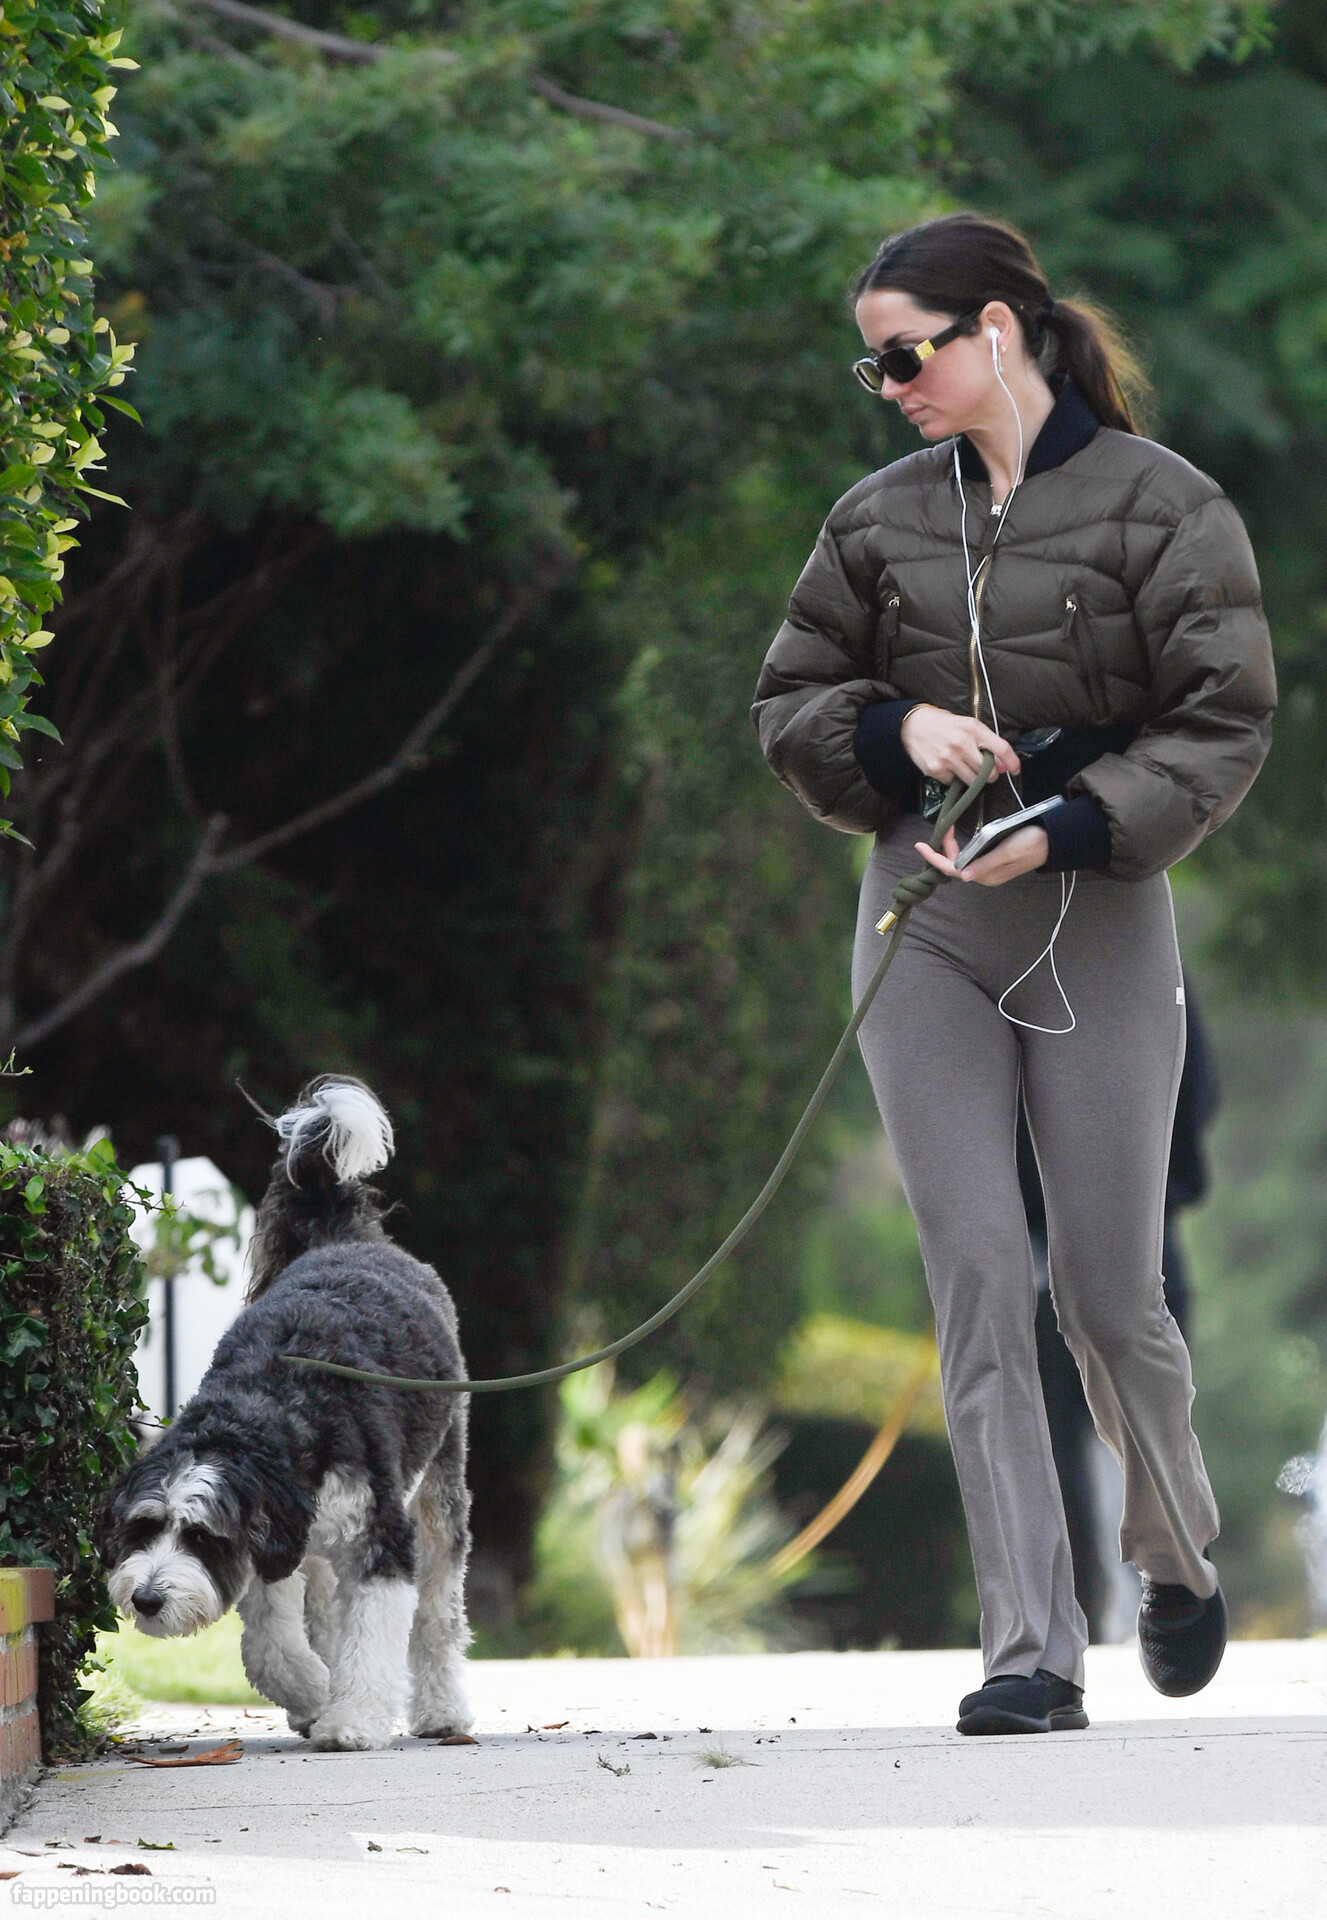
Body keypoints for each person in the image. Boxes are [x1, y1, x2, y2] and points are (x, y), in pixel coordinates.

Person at [752, 213, 1275, 1735]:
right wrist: (892, 729)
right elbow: (790, 699)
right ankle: (1029, 1651)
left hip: (1095, 911)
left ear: (996, 329)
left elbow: (1222, 717)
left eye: (905, 355)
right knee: (976, 1276)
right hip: (924, 923)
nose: (889, 385)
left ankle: (1172, 1554)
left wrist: (1075, 824)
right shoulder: (871, 519)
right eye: (871, 365)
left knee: (1106, 1294)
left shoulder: (1165, 504)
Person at [1023, 969, 1219, 1638]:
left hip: (1141, 1236)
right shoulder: (1006, 975)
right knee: (1057, 1454)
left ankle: (1172, 1581)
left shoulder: (1151, 963)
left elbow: (1194, 1089)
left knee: (1148, 1427)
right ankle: (1075, 1615)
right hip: (1040, 1252)